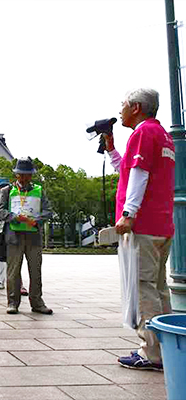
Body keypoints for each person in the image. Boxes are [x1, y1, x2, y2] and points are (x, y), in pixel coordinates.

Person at [105, 88, 175, 371]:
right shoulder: (162, 135)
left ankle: (151, 353)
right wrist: (111, 150)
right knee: (159, 288)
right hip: (162, 225)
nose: (119, 109)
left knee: (143, 288)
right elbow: (129, 170)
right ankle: (166, 347)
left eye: (123, 104)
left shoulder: (143, 133)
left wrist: (128, 213)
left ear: (136, 107)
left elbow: (139, 174)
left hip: (143, 225)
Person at [0, 157, 53, 315]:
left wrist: (36, 221)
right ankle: (12, 302)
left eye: (27, 174)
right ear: (16, 174)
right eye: (21, 174)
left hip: (33, 235)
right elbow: (0, 212)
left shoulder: (39, 190)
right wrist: (14, 217)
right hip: (14, 235)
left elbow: (48, 211)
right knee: (13, 271)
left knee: (35, 270)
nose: (24, 177)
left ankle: (37, 302)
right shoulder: (6, 191)